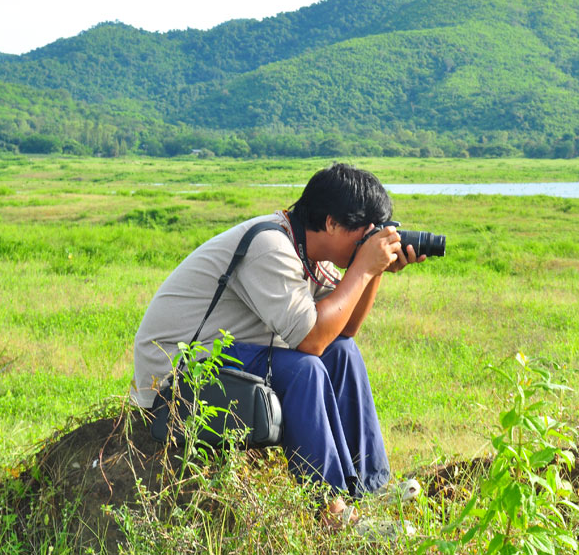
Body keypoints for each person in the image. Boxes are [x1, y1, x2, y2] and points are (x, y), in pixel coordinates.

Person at [130, 162, 424, 528]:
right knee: (305, 369)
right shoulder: (272, 247)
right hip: (176, 380)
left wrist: (373, 271)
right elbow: (313, 341)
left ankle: (371, 485)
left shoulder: (303, 247)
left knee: (342, 353)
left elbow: (343, 332)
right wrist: (362, 268)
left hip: (224, 357)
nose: (369, 243)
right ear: (331, 223)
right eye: (365, 234)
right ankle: (330, 511)